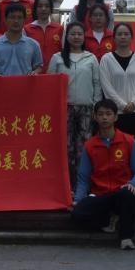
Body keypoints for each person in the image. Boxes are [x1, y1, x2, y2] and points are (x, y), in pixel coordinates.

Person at [71, 98, 135, 251]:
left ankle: (126, 237)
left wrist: (133, 184)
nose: (104, 118)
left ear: (116, 117)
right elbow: (84, 178)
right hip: (101, 195)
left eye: (108, 114)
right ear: (95, 117)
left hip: (122, 193)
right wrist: (78, 199)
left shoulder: (129, 141)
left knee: (127, 194)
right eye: (100, 114)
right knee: (77, 214)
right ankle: (108, 220)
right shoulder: (90, 145)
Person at [99, 21, 135, 200]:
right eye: (119, 34)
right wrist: (122, 105)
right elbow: (106, 86)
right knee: (118, 151)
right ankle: (120, 183)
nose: (122, 37)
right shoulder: (106, 59)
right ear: (113, 38)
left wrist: (134, 103)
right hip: (117, 115)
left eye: (126, 34)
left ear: (131, 37)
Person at [47, 21, 101, 187]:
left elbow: (96, 83)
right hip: (64, 109)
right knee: (66, 147)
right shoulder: (57, 58)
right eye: (73, 34)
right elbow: (50, 85)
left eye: (79, 34)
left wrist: (96, 107)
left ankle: (84, 184)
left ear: (84, 37)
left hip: (86, 109)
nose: (76, 37)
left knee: (84, 146)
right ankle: (66, 184)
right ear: (67, 37)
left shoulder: (91, 58)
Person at [0, 3, 43, 77]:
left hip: (25, 84)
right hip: (1, 83)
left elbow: (39, 66)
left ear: (24, 20)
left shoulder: (33, 44)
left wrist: (35, 72)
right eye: (12, 17)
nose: (16, 21)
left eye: (19, 17)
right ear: (5, 20)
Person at [25, 0, 64, 73]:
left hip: (55, 73)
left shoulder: (59, 29)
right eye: (40, 6)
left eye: (47, 6)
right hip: (33, 74)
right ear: (35, 9)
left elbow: (64, 51)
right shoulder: (26, 29)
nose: (43, 9)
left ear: (51, 9)